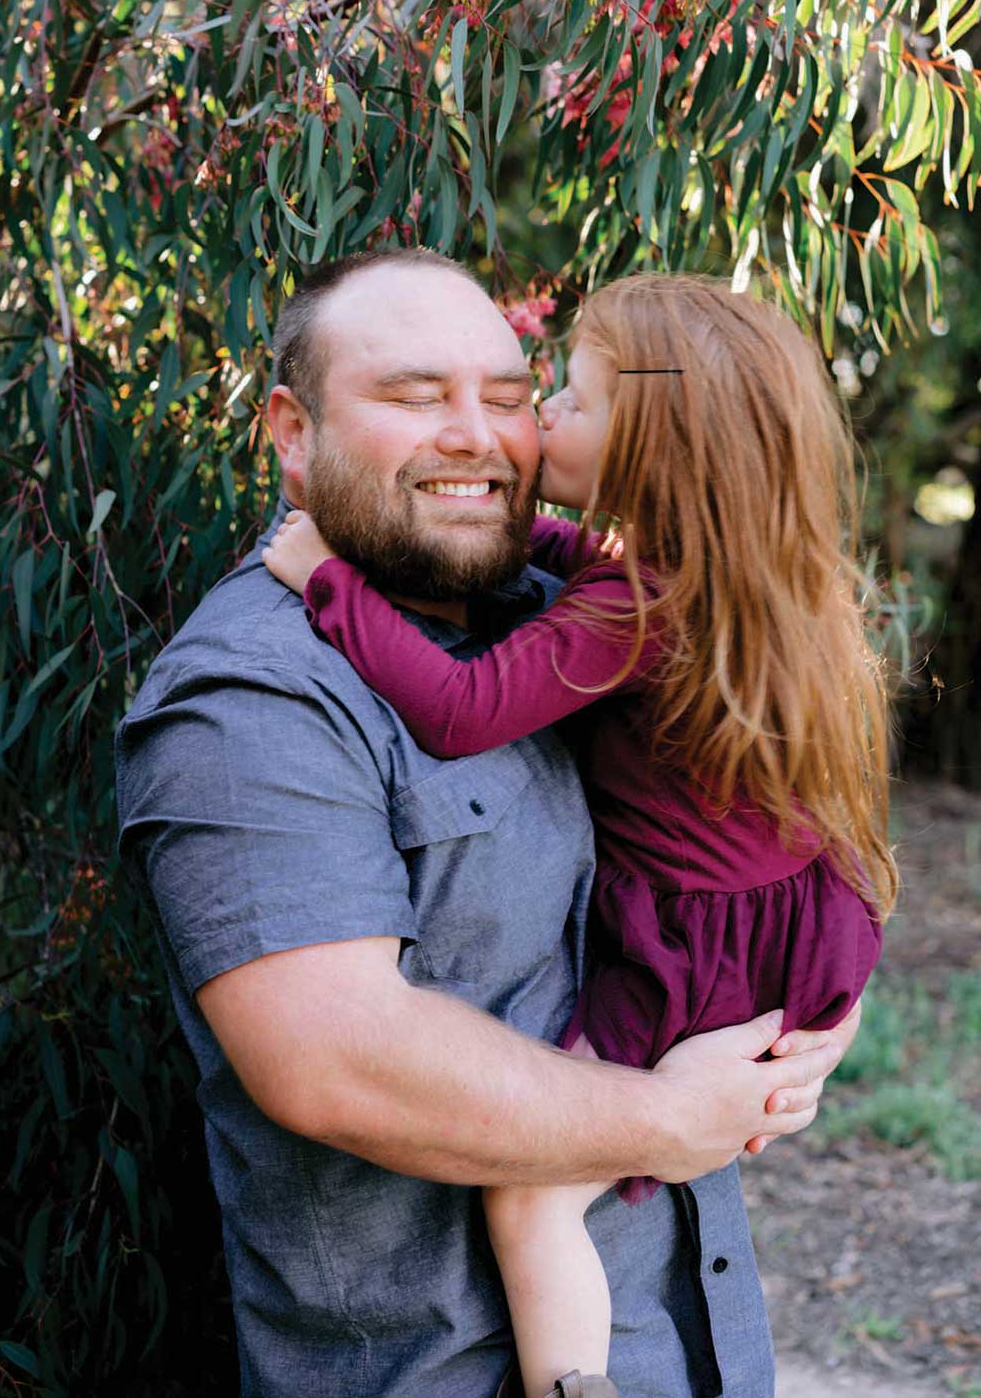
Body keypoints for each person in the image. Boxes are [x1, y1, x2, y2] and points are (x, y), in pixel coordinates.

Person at [115, 249, 861, 1398]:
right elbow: (334, 1062)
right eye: (415, 398)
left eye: (513, 399)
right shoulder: (255, 704)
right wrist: (666, 1118)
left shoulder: (555, 608)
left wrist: (793, 1038)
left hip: (687, 1346)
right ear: (292, 433)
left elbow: (769, 819)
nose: (478, 434)